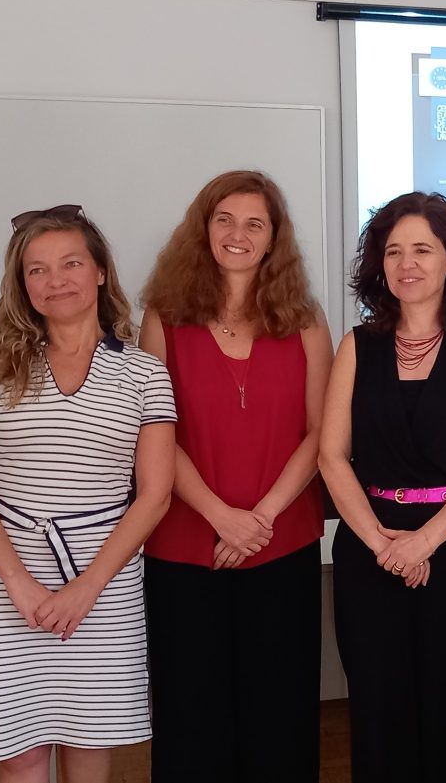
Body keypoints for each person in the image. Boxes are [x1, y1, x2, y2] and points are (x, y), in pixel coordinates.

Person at [0, 205, 176, 782]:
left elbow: (154, 495)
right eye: (37, 270)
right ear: (22, 285)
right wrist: (18, 584)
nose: (55, 280)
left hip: (103, 578)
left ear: (100, 271)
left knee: (88, 739)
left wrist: (85, 589)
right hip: (3, 577)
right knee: (20, 750)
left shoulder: (146, 374)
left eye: (71, 263)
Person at [138, 170, 333, 783]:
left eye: (255, 223)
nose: (237, 234)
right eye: (224, 219)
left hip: (283, 542)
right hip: (184, 546)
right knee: (191, 714)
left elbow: (322, 434)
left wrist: (261, 518)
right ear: (203, 227)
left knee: (281, 713)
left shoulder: (305, 319)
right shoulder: (164, 319)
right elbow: (156, 435)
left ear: (274, 238)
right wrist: (223, 517)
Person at [319, 191, 446, 783]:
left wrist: (423, 542)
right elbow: (332, 456)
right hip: (371, 548)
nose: (407, 264)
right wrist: (384, 545)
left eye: (423, 250)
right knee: (380, 713)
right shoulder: (357, 346)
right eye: (393, 251)